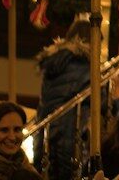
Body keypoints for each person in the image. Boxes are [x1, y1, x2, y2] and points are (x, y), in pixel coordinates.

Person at [36, 19, 92, 180]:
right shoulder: (82, 65)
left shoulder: (57, 61)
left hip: (45, 135)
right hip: (68, 133)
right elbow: (101, 101)